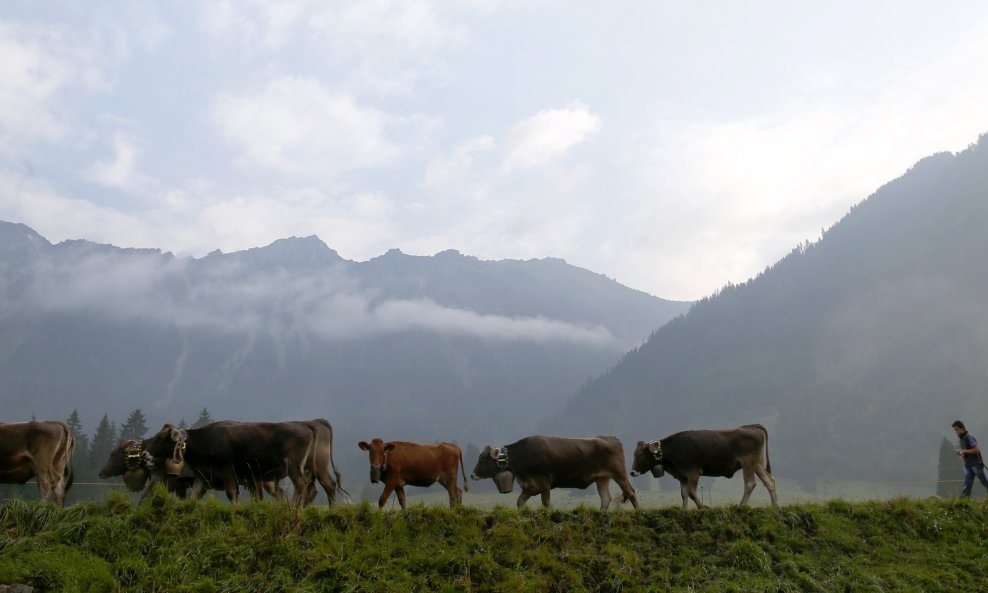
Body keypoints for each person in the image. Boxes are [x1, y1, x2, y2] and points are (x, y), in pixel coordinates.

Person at [952, 420, 988, 498]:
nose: (956, 432)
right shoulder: (962, 438)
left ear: (962, 428)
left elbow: (976, 449)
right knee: (967, 484)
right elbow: (967, 452)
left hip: (976, 464)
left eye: (957, 429)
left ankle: (963, 501)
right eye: (955, 430)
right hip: (968, 465)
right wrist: (960, 452)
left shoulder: (969, 437)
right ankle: (963, 502)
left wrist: (964, 451)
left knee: (984, 481)